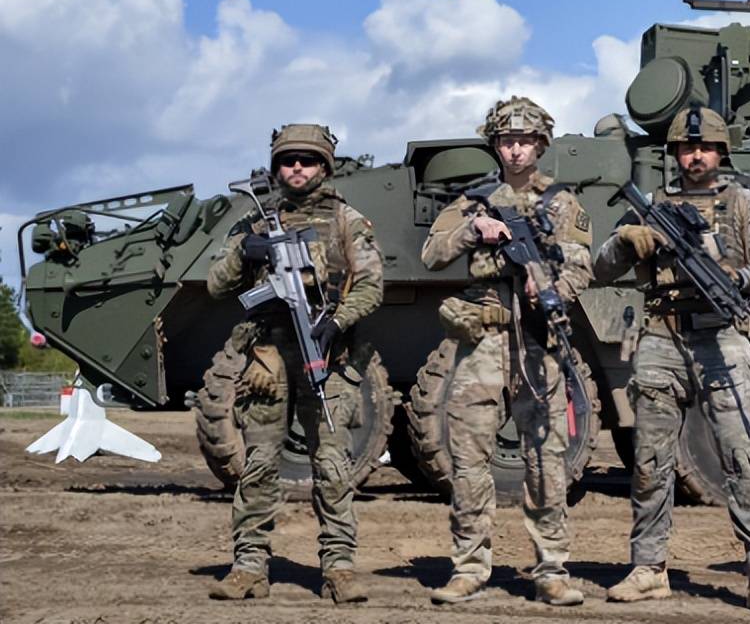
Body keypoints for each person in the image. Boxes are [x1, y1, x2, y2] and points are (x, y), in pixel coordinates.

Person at [594, 105, 750, 619]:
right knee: (650, 462)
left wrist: (737, 279)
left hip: (723, 338)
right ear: (675, 153)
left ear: (721, 152)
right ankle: (649, 568)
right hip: (661, 338)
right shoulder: (651, 206)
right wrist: (625, 240)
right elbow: (601, 267)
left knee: (744, 460)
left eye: (704, 147)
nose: (696, 155)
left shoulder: (745, 204)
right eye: (687, 147)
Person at [421, 96, 593, 607]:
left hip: (538, 340)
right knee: (469, 458)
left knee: (546, 460)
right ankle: (469, 568)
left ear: (541, 144)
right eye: (507, 141)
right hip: (482, 343)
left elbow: (582, 264)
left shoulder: (561, 202)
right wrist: (472, 230)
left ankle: (551, 570)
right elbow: (432, 253)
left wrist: (553, 288)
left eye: (525, 141)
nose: (516, 150)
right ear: (495, 146)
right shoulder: (473, 200)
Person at [206, 124, 384, 603]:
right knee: (259, 465)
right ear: (276, 168)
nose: (298, 168)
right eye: (288, 161)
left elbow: (371, 286)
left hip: (326, 354)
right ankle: (249, 567)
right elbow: (216, 285)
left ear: (324, 166)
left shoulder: (346, 219)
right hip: (267, 362)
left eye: (308, 160)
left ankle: (339, 568)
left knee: (332, 467)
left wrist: (336, 322)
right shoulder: (253, 223)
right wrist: (246, 251)